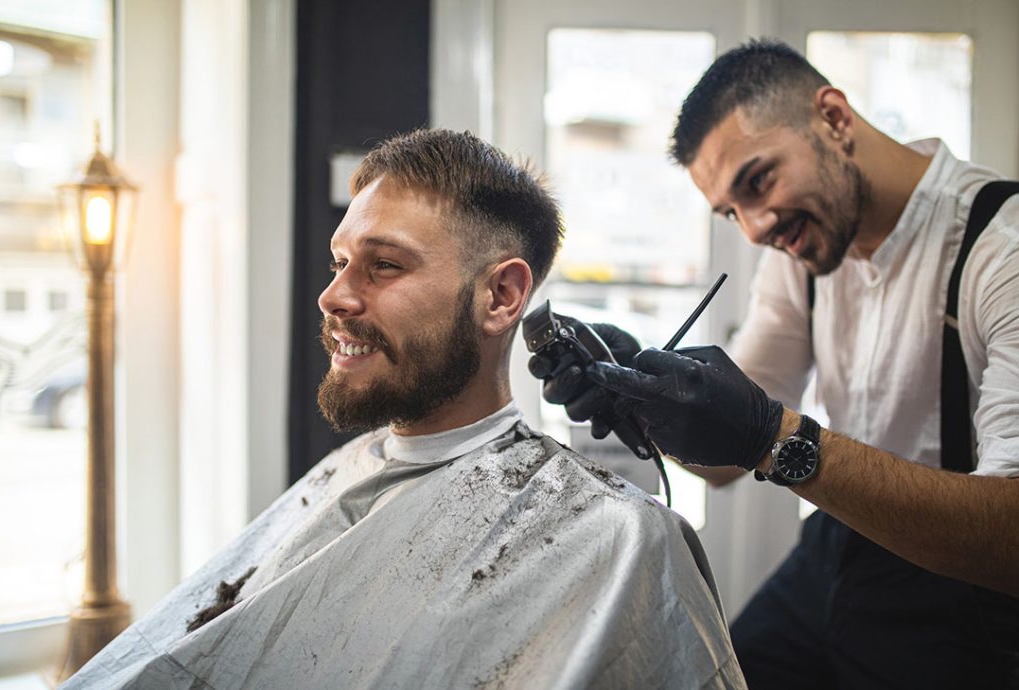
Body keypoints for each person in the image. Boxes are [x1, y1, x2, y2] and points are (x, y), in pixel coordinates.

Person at [63, 129, 746, 689]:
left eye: (383, 266)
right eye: (339, 262)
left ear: (502, 297)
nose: (335, 296)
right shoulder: (348, 472)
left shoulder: (618, 542)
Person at [535, 40, 1019, 689]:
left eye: (758, 181)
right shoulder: (806, 249)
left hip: (959, 579)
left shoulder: (1001, 251)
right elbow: (730, 457)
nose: (755, 229)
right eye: (731, 211)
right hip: (838, 542)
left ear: (835, 120)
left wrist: (772, 436)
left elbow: (1011, 538)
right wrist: (646, 400)